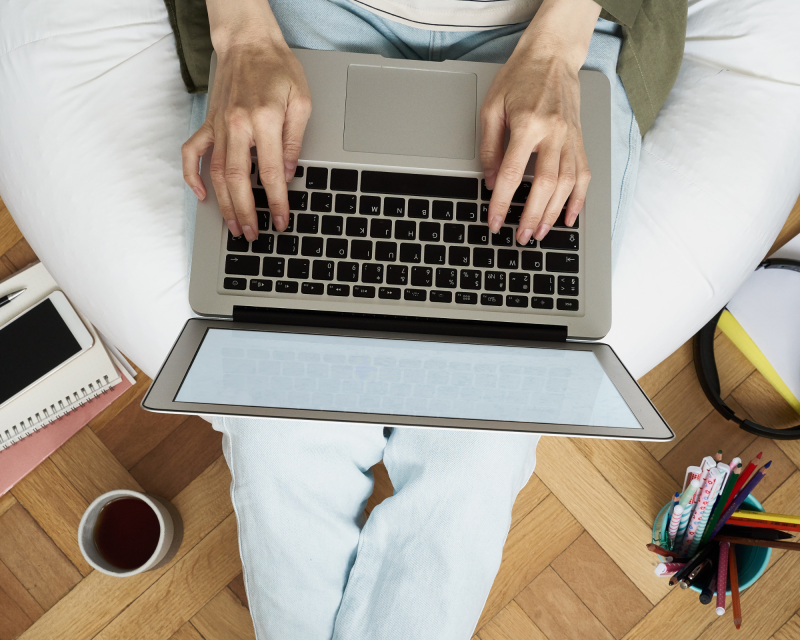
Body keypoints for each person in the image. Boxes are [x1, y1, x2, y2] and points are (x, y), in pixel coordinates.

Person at [171, 0, 684, 638]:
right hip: (305, 19)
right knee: (282, 432)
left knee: (478, 452)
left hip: (549, 27)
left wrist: (558, 47)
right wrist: (242, 32)